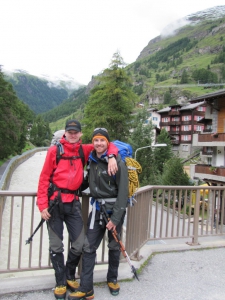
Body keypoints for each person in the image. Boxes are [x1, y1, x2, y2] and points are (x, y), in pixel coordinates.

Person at [37, 120, 119, 300]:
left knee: (80, 244)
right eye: (69, 132)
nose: (73, 135)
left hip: (73, 202)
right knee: (56, 245)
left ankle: (68, 274)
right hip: (55, 204)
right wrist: (42, 205)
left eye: (76, 132)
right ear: (65, 133)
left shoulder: (84, 149)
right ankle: (60, 283)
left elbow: (107, 144)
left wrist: (112, 156)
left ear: (80, 134)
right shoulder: (54, 151)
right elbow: (43, 179)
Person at [68, 128, 129, 300]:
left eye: (102, 140)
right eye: (96, 140)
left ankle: (112, 279)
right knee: (89, 247)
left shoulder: (118, 162)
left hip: (114, 210)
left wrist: (115, 219)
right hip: (97, 210)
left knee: (114, 245)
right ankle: (87, 288)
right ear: (93, 142)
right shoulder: (92, 160)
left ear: (107, 143)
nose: (99, 143)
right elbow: (86, 182)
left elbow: (123, 193)